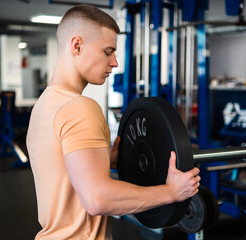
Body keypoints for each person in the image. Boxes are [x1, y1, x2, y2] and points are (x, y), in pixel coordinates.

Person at [26, 5, 200, 240]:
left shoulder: (44, 105)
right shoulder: (80, 107)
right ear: (77, 45)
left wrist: (103, 160)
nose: (115, 62)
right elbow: (97, 199)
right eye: (108, 51)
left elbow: (59, 169)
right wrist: (171, 192)